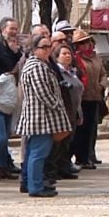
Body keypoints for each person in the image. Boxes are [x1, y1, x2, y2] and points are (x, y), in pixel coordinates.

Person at [17, 34, 71, 198]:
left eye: (49, 47)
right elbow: (43, 92)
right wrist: (58, 105)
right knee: (38, 153)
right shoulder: (36, 67)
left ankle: (28, 182)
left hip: (37, 115)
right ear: (34, 49)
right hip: (41, 117)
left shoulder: (38, 64)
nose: (48, 50)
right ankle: (36, 186)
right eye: (44, 47)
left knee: (33, 151)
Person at [0, 17, 23, 175]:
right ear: (3, 30)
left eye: (16, 29)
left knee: (6, 135)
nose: (14, 32)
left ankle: (4, 163)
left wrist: (16, 53)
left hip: (11, 96)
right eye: (11, 29)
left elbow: (17, 67)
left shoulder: (15, 48)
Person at [72, 29, 107, 169]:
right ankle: (80, 158)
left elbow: (103, 73)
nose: (86, 45)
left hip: (95, 97)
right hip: (83, 98)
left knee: (91, 129)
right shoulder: (76, 59)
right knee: (81, 130)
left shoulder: (96, 57)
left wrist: (101, 85)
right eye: (82, 43)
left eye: (87, 42)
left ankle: (88, 156)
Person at [52, 43, 84, 177]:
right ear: (57, 57)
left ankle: (65, 167)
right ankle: (55, 169)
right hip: (62, 111)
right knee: (58, 143)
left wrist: (79, 113)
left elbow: (78, 93)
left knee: (68, 142)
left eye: (69, 54)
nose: (67, 56)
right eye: (64, 54)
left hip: (74, 111)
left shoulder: (73, 72)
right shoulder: (57, 73)